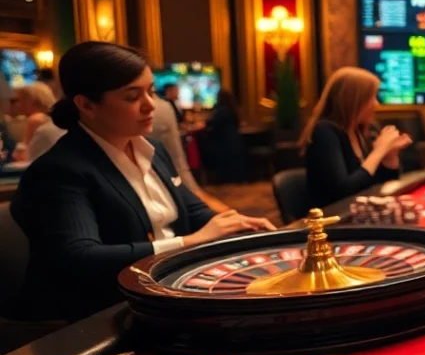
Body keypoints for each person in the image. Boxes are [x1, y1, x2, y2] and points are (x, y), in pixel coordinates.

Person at [11, 41, 274, 322]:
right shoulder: (60, 170)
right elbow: (79, 258)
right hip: (92, 319)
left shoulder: (152, 148)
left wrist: (237, 227)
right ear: (87, 104)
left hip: (160, 292)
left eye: (151, 92)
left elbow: (192, 212)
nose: (150, 106)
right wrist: (188, 242)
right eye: (132, 97)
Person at [301, 66, 412, 208]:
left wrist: (390, 155)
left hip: (360, 216)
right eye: (371, 97)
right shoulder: (324, 132)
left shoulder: (362, 131)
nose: (377, 104)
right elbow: (343, 193)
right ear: (353, 101)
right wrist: (379, 151)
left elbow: (382, 189)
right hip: (333, 221)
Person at [10, 81, 65, 161]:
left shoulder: (35, 119)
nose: (18, 104)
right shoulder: (55, 117)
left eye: (20, 100)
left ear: (32, 101)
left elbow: (21, 156)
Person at [202, 90, 248, 183]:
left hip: (223, 145)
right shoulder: (232, 109)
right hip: (235, 142)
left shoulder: (221, 111)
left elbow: (211, 124)